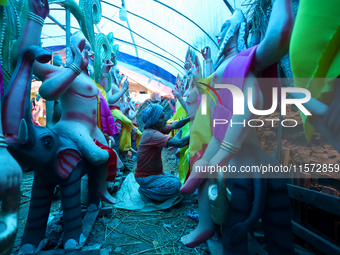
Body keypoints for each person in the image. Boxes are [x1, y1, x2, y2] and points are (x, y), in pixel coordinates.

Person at [180, 2, 295, 252]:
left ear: (239, 31)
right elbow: (218, 117)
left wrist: (224, 153)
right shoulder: (226, 69)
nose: (220, 34)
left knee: (244, 223)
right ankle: (205, 223)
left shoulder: (246, 62)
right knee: (201, 165)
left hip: (239, 153)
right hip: (236, 148)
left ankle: (208, 226)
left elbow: (251, 103)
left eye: (226, 29)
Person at [16, 0, 115, 207]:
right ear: (73, 49)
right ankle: (72, 195)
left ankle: (101, 190)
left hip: (92, 128)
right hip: (72, 126)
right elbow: (44, 87)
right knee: (98, 156)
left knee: (107, 154)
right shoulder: (64, 72)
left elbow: (104, 94)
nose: (88, 51)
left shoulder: (89, 78)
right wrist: (36, 19)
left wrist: (105, 72)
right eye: (83, 47)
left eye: (89, 48)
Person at [135, 103, 190, 203]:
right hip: (146, 177)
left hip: (154, 174)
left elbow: (176, 125)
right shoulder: (152, 134)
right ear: (154, 120)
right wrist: (195, 132)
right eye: (161, 117)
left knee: (176, 180)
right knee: (176, 185)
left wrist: (191, 118)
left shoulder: (156, 128)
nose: (165, 119)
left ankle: (150, 189)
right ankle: (146, 191)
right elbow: (179, 143)